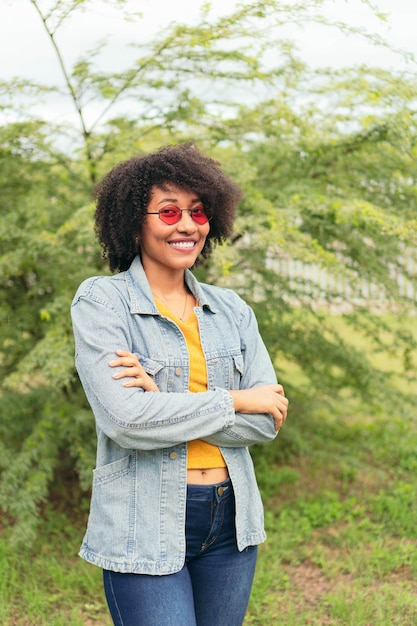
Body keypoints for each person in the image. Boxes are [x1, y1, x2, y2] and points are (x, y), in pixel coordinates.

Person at [71, 142, 288, 626]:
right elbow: (125, 421)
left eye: (198, 211)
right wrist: (235, 399)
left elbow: (267, 422)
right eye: (168, 212)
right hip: (143, 518)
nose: (187, 225)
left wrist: (165, 403)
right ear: (134, 221)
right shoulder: (102, 303)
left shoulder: (232, 309)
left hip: (231, 519)